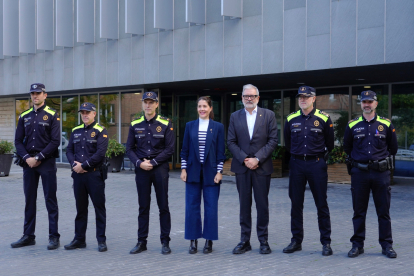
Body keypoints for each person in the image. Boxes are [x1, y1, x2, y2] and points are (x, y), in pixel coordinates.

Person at [343, 90, 398, 258]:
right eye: (364, 101)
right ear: (360, 104)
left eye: (370, 101)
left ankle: (386, 245)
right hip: (359, 173)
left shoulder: (386, 124)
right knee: (359, 211)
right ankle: (357, 245)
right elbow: (347, 148)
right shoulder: (352, 125)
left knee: (383, 211)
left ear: (376, 104)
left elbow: (393, 148)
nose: (367, 104)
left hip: (381, 173)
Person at [283, 86, 334, 256]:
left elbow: (330, 144)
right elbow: (288, 144)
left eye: (306, 97)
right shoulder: (291, 119)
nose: (303, 99)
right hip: (297, 164)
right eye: (300, 97)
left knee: (322, 205)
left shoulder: (324, 118)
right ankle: (296, 241)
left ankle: (326, 243)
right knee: (296, 205)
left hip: (316, 165)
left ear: (314, 99)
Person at [227, 84, 278, 254]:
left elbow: (273, 140)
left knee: (262, 205)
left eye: (252, 96)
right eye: (246, 96)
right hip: (242, 168)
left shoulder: (268, 115)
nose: (249, 98)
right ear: (241, 98)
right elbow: (231, 142)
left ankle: (263, 240)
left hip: (262, 167)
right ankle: (244, 240)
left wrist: (257, 158)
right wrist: (244, 159)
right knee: (244, 205)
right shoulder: (235, 116)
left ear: (258, 98)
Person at [12, 83, 61, 250]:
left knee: (50, 200)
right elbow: (18, 141)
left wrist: (39, 157)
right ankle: (28, 235)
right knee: (29, 200)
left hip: (46, 162)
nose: (35, 96)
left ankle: (54, 236)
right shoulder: (24, 116)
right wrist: (27, 158)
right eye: (33, 93)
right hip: (29, 164)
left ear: (45, 95)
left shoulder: (53, 115)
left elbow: (56, 141)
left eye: (38, 93)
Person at [126, 91, 175, 255]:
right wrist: (139, 163)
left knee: (163, 206)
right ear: (142, 104)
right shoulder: (135, 124)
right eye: (145, 102)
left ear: (156, 104)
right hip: (142, 170)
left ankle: (165, 242)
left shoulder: (166, 123)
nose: (148, 105)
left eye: (151, 102)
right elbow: (129, 149)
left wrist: (153, 162)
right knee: (143, 207)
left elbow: (170, 149)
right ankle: (141, 242)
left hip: (159, 168)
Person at [180, 97, 226, 254]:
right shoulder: (190, 126)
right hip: (192, 172)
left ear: (210, 108)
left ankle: (209, 240)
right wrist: (183, 169)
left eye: (205, 106)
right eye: (199, 106)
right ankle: (193, 241)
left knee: (211, 208)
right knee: (192, 208)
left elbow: (221, 152)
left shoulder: (218, 127)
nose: (202, 109)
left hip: (211, 173)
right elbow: (184, 150)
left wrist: (220, 172)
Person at [65, 102, 109, 252]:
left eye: (87, 112)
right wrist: (74, 164)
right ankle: (79, 239)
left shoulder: (101, 130)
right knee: (80, 209)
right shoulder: (75, 130)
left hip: (94, 175)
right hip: (78, 176)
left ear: (94, 114)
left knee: (99, 208)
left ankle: (101, 240)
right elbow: (69, 150)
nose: (85, 115)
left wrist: (83, 166)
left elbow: (100, 154)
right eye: (82, 112)